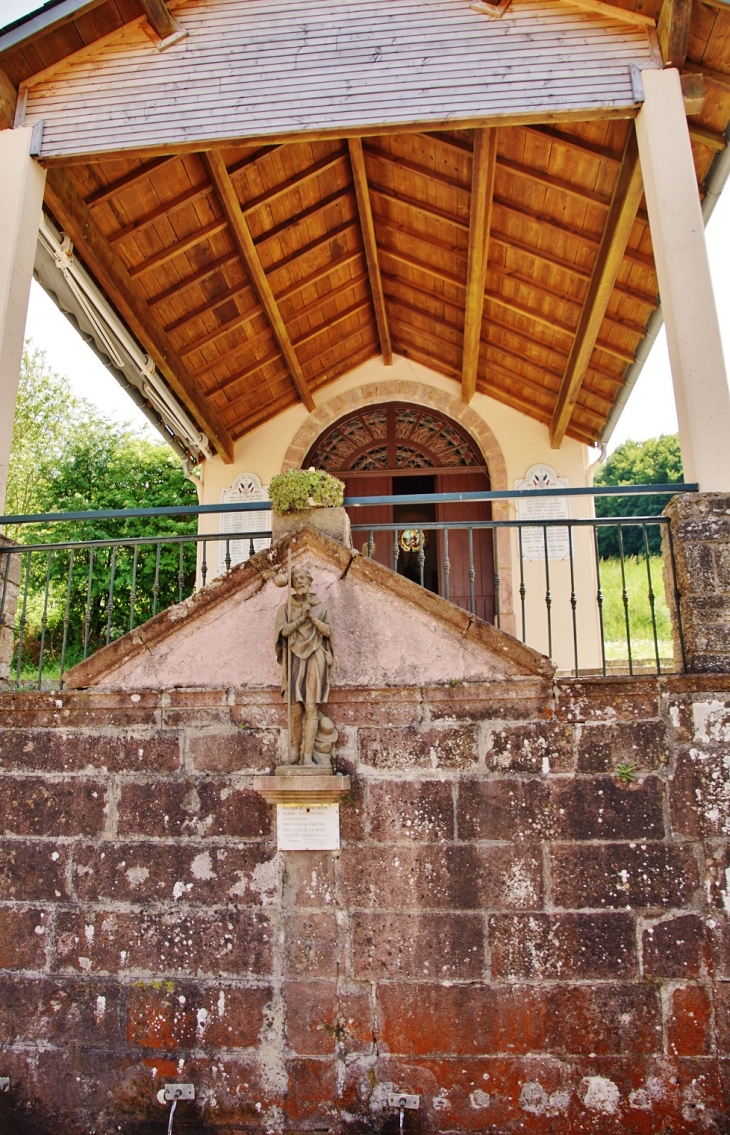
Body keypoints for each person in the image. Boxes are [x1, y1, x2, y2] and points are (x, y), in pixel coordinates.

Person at [274, 567, 333, 765]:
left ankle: (307, 756)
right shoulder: (285, 609)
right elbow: (282, 633)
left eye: (303, 578)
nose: (300, 582)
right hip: (294, 658)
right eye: (296, 579)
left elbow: (327, 632)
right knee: (295, 709)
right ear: (291, 584)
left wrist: (312, 617)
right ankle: (295, 751)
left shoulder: (321, 607)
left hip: (315, 657)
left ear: (309, 581)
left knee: (311, 707)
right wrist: (301, 618)